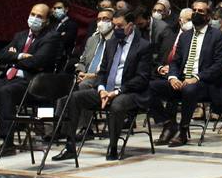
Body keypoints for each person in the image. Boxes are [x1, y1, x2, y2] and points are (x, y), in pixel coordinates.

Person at [53, 10, 154, 161]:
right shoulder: (111, 42)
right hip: (106, 90)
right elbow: (103, 71)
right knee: (74, 98)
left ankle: (113, 146)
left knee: (117, 105)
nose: (116, 29)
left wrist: (116, 92)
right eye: (114, 26)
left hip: (130, 92)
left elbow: (142, 78)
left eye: (120, 26)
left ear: (130, 26)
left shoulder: (143, 46)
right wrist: (101, 90)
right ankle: (70, 146)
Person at [0, 2, 64, 157]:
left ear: (46, 21)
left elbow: (38, 62)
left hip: (33, 84)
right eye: (32, 14)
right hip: (9, 78)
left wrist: (13, 57)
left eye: (39, 16)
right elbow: (1, 55)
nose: (34, 18)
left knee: (6, 92)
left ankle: (7, 143)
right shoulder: (20, 35)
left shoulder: (51, 37)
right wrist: (20, 55)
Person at [150, 0, 222, 146]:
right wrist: (172, 77)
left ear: (208, 16)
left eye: (200, 11)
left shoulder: (218, 36)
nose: (196, 13)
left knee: (189, 89)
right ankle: (168, 123)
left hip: (205, 83)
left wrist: (197, 77)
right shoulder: (185, 36)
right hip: (181, 80)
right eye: (194, 10)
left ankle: (183, 129)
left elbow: (219, 65)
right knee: (151, 86)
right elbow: (175, 61)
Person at [75, 8, 116, 89]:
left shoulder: (116, 41)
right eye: (99, 19)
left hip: (102, 78)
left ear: (113, 21)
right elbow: (82, 61)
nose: (101, 22)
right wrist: (81, 73)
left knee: (83, 85)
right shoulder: (92, 40)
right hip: (85, 77)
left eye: (105, 19)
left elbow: (113, 67)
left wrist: (93, 76)